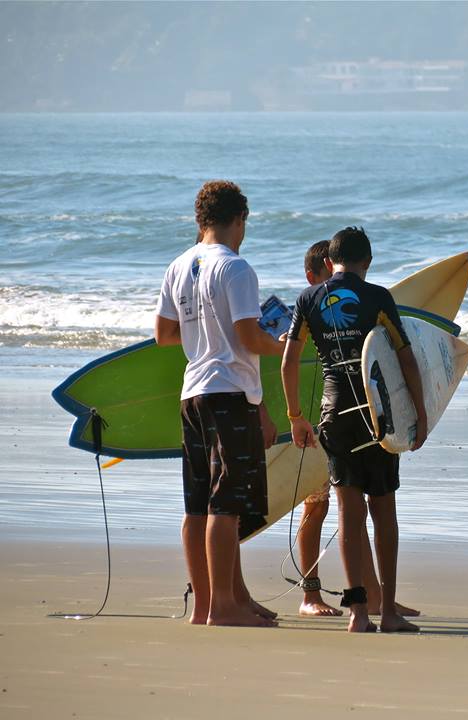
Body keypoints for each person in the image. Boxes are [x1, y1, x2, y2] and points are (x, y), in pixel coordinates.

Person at [282, 226, 426, 633]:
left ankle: (358, 613)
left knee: (348, 513)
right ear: (369, 262)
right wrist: (420, 414)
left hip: (335, 414)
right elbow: (406, 359)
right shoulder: (378, 297)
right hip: (376, 412)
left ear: (329, 262)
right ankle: (390, 614)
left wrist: (296, 416)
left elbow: (287, 362)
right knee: (383, 511)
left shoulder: (308, 298)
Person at [155, 180, 284, 627]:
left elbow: (164, 335)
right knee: (225, 505)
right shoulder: (236, 267)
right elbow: (250, 337)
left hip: (193, 393)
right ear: (239, 220)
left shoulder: (178, 265)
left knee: (196, 505)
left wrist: (204, 336)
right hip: (230, 390)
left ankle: (207, 607)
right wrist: (284, 345)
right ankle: (225, 608)